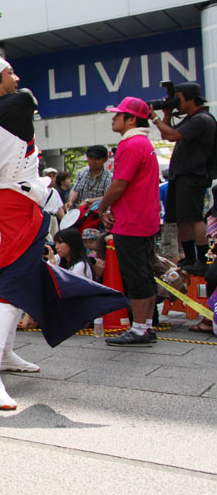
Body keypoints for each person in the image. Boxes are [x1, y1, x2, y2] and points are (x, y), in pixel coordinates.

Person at [0, 54, 128, 410]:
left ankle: (2, 355)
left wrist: (3, 175)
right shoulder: (20, 102)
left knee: (17, 279)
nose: (16, 78)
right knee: (10, 286)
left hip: (3, 202)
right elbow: (28, 99)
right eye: (8, 73)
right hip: (17, 207)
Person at [95, 97, 162, 346]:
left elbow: (119, 184)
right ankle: (145, 326)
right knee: (143, 273)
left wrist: (102, 208)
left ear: (131, 119)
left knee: (135, 276)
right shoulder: (143, 143)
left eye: (119, 114)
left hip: (132, 220)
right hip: (143, 218)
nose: (114, 118)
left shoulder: (131, 144)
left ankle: (139, 329)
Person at [151, 81, 217, 274]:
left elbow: (171, 135)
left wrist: (154, 117)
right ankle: (189, 257)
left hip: (193, 174)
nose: (176, 103)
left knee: (195, 218)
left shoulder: (201, 119)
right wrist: (167, 113)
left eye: (177, 99)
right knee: (182, 219)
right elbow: (167, 134)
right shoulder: (192, 118)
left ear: (190, 99)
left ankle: (203, 259)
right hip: (183, 175)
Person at [66, 145, 112, 211]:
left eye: (97, 159)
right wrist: (70, 201)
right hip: (79, 212)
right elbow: (75, 190)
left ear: (105, 159)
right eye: (90, 158)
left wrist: (88, 201)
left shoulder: (109, 177)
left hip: (97, 214)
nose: (93, 161)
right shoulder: (81, 173)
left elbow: (108, 197)